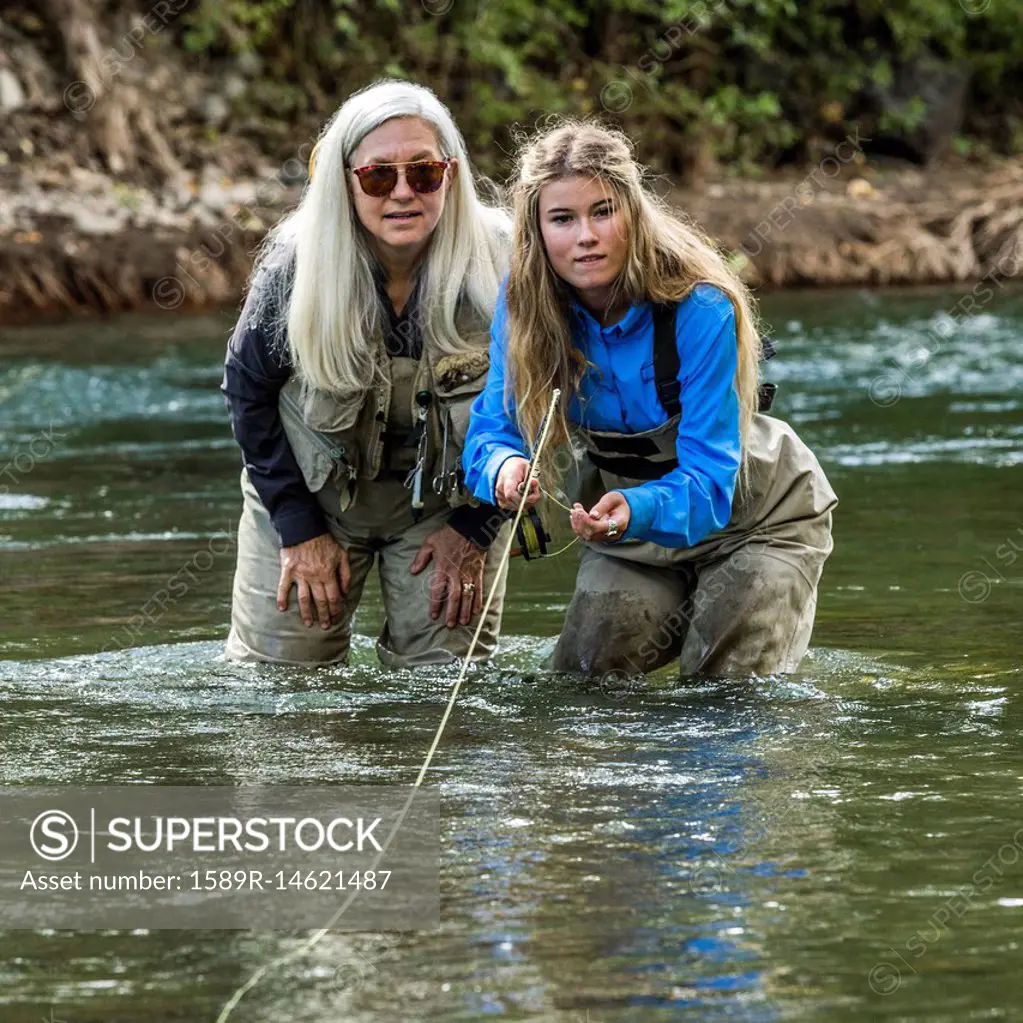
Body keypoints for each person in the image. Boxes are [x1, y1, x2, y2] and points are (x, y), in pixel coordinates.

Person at [462, 120, 838, 678]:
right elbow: (493, 430)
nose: (585, 235)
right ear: (537, 231)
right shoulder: (523, 303)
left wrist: (632, 509)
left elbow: (711, 483)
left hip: (756, 520)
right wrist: (504, 470)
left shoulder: (700, 306)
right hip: (634, 533)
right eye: (562, 219)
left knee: (721, 696)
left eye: (603, 211)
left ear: (633, 214)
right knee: (584, 684)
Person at [221, 80, 512, 667]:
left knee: (440, 691)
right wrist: (299, 530)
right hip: (308, 495)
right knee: (283, 692)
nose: (403, 193)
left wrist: (476, 528)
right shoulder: (296, 266)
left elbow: (540, 401)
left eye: (424, 173)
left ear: (450, 176)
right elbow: (246, 391)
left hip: (448, 506)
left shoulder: (505, 261)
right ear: (345, 181)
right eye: (379, 176)